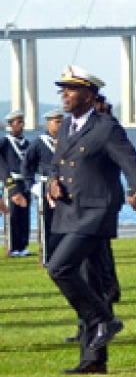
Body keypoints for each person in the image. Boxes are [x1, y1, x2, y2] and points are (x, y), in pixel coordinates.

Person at [46, 65, 136, 374]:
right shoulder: (66, 127)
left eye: (71, 89)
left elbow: (133, 167)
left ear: (89, 95)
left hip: (95, 213)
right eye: (62, 89)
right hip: (67, 212)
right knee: (92, 282)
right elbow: (56, 164)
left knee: (59, 268)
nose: (65, 95)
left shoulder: (106, 127)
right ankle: (92, 359)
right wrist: (52, 182)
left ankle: (104, 319)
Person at [19, 109, 63, 263]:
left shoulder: (67, 141)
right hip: (46, 187)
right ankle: (47, 257)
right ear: (48, 123)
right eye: (57, 121)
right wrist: (32, 185)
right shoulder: (39, 143)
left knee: (65, 223)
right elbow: (26, 166)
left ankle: (63, 256)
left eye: (62, 121)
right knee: (47, 223)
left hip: (65, 186)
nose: (60, 125)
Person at [0, 111, 33, 257]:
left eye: (22, 122)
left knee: (24, 216)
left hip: (24, 182)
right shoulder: (5, 142)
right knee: (12, 215)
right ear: (11, 125)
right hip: (12, 182)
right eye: (17, 122)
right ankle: (12, 247)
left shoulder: (27, 143)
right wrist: (8, 182)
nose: (21, 125)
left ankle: (22, 245)